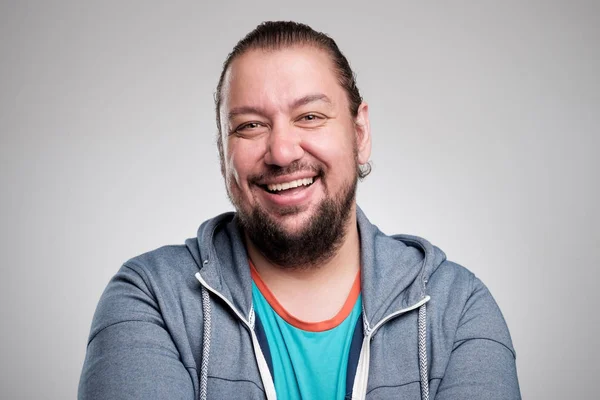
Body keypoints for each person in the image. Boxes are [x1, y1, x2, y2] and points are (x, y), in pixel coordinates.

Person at [78, 21, 521, 400]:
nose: (282, 151)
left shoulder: (455, 307)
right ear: (222, 152)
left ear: (360, 132)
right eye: (250, 125)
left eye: (309, 116)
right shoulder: (151, 299)